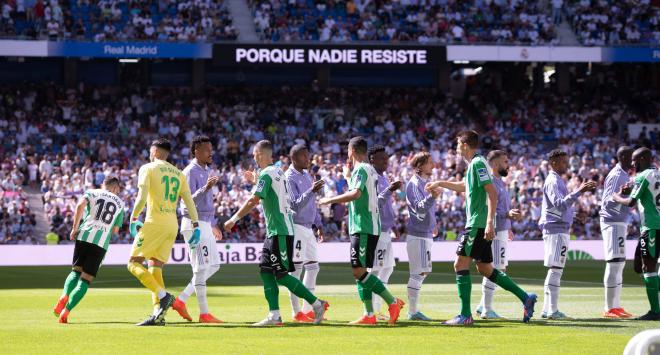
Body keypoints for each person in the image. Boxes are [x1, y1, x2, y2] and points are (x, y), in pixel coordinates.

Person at [426, 130, 537, 325]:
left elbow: (492, 193)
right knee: (485, 268)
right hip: (479, 223)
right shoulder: (475, 165)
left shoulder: (477, 163)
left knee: (460, 265)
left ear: (465, 145)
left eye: (458, 145)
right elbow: (465, 186)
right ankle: (525, 297)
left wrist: (488, 223)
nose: (457, 148)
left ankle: (465, 315)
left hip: (478, 223)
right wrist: (440, 183)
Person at [223, 140, 328, 326]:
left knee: (280, 274)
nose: (253, 157)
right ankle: (275, 315)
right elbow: (273, 193)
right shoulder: (279, 172)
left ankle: (316, 303)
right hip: (276, 231)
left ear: (261, 154)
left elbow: (253, 200)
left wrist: (233, 220)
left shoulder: (267, 174)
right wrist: (256, 181)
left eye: (255, 154)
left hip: (280, 231)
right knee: (266, 271)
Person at [320, 136, 404, 325]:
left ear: (351, 151)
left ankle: (392, 302)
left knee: (359, 271)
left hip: (364, 226)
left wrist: (329, 200)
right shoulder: (369, 171)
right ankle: (369, 314)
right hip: (365, 225)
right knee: (361, 272)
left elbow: (356, 193)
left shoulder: (362, 169)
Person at [127, 138, 201, 326]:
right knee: (155, 266)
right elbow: (189, 202)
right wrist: (196, 225)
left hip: (154, 222)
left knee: (133, 263)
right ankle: (157, 314)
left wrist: (134, 217)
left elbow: (142, 196)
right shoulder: (178, 173)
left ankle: (164, 296)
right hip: (171, 225)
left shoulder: (148, 168)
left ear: (154, 151)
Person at [52, 176, 125, 323]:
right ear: (116, 187)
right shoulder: (120, 203)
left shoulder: (92, 192)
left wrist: (74, 228)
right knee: (85, 280)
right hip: (100, 243)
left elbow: (79, 206)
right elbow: (116, 231)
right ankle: (66, 311)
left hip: (84, 235)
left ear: (103, 184)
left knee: (75, 271)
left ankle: (64, 295)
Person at [538, 149, 597, 320]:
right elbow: (558, 205)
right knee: (556, 269)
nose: (566, 164)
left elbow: (558, 208)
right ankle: (553, 310)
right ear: (554, 162)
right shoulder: (553, 181)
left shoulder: (556, 180)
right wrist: (579, 190)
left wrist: (573, 215)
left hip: (557, 227)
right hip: (556, 230)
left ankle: (546, 309)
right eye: (563, 161)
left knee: (554, 268)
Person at [172, 135, 224, 324]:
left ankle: (181, 299)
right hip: (193, 225)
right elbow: (185, 205)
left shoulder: (206, 170)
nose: (210, 153)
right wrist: (205, 188)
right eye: (206, 150)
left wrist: (212, 223)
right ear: (196, 151)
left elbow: (206, 204)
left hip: (205, 224)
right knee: (201, 267)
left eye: (211, 149)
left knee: (214, 265)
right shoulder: (189, 172)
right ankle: (204, 314)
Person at [612, 147, 660, 321]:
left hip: (652, 227)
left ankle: (655, 311)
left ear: (644, 159)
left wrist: (615, 196)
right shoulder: (656, 174)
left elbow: (631, 202)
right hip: (652, 227)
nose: (632, 163)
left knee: (648, 268)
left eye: (635, 160)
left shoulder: (642, 176)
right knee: (640, 266)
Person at [475, 150, 524, 319]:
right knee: (494, 269)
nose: (508, 165)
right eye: (505, 161)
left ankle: (483, 306)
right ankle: (487, 309)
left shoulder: (499, 182)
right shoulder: (491, 184)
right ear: (495, 164)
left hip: (501, 229)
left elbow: (501, 208)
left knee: (499, 268)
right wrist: (507, 215)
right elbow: (490, 210)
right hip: (494, 230)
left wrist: (508, 224)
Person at [284, 144, 325, 323]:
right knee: (296, 271)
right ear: (294, 158)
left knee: (314, 267)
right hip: (296, 227)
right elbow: (294, 205)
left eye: (308, 156)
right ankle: (296, 312)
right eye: (304, 156)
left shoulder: (306, 175)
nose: (308, 159)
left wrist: (319, 223)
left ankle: (308, 309)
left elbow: (312, 203)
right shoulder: (289, 177)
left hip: (308, 228)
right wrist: (311, 191)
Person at [599, 146, 634, 319]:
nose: (634, 160)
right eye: (631, 156)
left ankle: (616, 306)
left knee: (620, 263)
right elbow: (606, 201)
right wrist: (621, 194)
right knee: (614, 263)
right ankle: (608, 308)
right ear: (625, 157)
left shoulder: (625, 173)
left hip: (619, 222)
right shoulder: (616, 174)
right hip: (611, 222)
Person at [368, 144, 401, 321]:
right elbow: (375, 202)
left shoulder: (383, 177)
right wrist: (390, 190)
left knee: (387, 268)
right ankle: (372, 310)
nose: (386, 161)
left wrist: (393, 224)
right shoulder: (372, 177)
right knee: (375, 270)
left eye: (387, 158)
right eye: (382, 158)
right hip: (377, 230)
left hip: (386, 230)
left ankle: (378, 308)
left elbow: (387, 205)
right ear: (372, 159)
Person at [405, 151, 438, 321]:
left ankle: (413, 310)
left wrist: (434, 224)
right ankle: (412, 311)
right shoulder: (414, 184)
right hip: (418, 235)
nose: (433, 165)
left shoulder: (424, 183)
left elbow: (427, 210)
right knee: (418, 273)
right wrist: (433, 196)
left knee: (421, 273)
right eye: (429, 162)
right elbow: (419, 207)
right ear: (419, 166)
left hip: (424, 233)